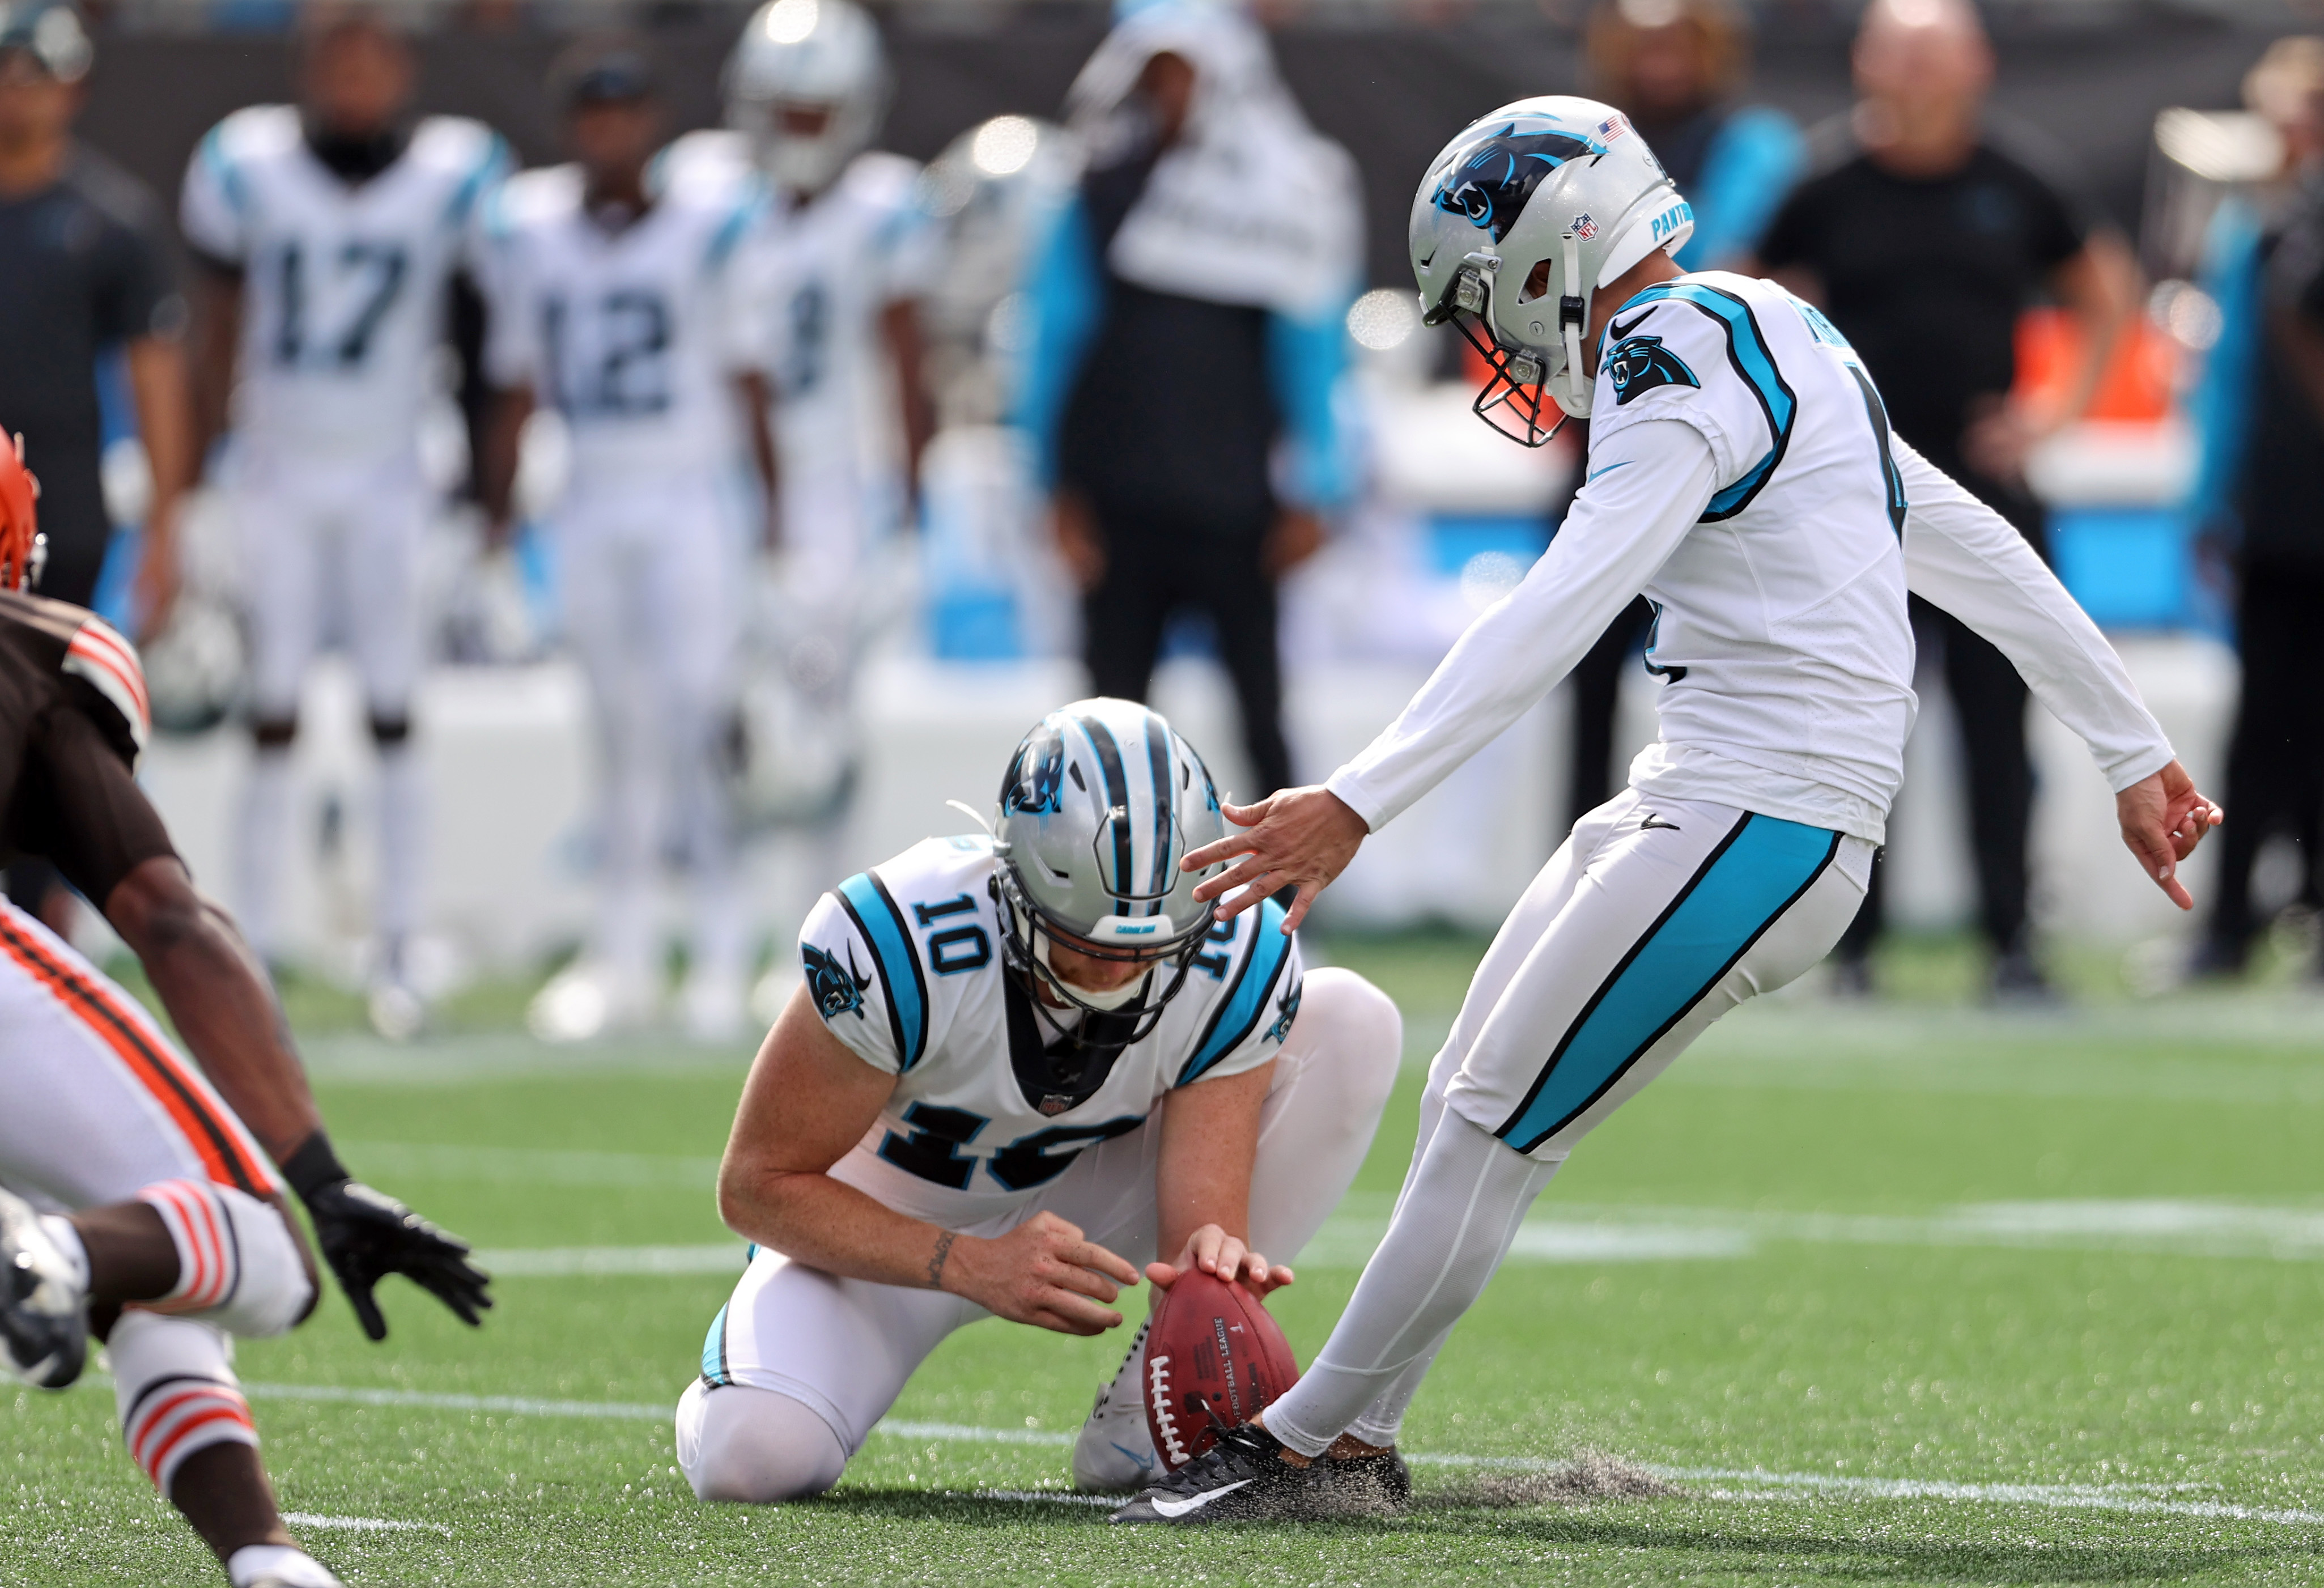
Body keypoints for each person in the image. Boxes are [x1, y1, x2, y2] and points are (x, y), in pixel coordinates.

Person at [1108, 94, 2219, 1523]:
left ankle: (1307, 1440)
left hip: (1761, 819)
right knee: (1470, 1100)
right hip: (1709, 797)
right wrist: (2128, 748)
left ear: (1550, 255)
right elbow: (1965, 541)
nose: (1489, 341)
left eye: (1483, 301)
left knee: (1494, 1122)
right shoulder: (1765, 319)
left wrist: (1356, 801)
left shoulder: (1665, 365)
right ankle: (1351, 1428)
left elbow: (1561, 604)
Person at [674, 699, 1401, 1502]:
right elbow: (755, 1185)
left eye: (1150, 945)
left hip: (1082, 1197)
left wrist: (1212, 1273)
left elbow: (1202, 1221)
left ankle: (1142, 1415)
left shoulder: (1234, 945)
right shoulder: (900, 936)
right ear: (1012, 878)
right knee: (753, 1461)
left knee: (1352, 1020)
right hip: (878, 1225)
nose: (1113, 974)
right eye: (1083, 941)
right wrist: (966, 1262)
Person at [0, 437, 490, 1588]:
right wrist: (316, 1173)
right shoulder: (33, 646)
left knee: (151, 1256)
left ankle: (265, 1560)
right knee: (251, 1244)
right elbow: (166, 919)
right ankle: (47, 1245)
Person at [1752, 0, 2140, 1000]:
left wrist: (2048, 417)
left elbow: (2105, 288)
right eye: (1902, 60)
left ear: (1976, 68)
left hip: (1983, 494)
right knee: (1857, 723)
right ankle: (1853, 946)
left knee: (1998, 725)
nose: (1919, 83)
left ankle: (2012, 939)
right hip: (1850, 500)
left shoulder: (2015, 180)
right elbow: (1748, 307)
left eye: (1937, 62)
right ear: (1865, 66)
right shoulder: (1823, 183)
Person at [180, 9, 511, 1035]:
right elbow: (218, 329)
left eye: (371, 52)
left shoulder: (456, 174)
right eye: (336, 52)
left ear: (401, 64)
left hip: (393, 475)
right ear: (308, 64)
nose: (353, 74)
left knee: (395, 713)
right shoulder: (248, 163)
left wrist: (485, 510)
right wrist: (197, 484)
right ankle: (256, 949)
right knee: (270, 712)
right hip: (280, 468)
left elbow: (479, 334)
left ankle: (400, 946)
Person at [481, 40, 769, 1043]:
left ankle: (726, 949)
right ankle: (625, 951)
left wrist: (766, 522)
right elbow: (516, 385)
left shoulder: (710, 223)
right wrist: (493, 515)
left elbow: (749, 378)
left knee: (698, 724)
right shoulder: (531, 230)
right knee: (615, 731)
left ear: (650, 121)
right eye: (590, 114)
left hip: (688, 493)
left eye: (624, 111)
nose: (608, 131)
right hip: (592, 497)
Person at [1014, 1, 1358, 801]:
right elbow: (1054, 338)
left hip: (1235, 505)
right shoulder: (1096, 189)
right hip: (1118, 501)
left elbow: (1311, 353)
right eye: (1157, 74)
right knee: (1105, 726)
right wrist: (1051, 487)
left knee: (1261, 714)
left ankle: (1288, 907)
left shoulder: (1282, 201)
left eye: (1188, 74)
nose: (1172, 93)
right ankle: (1097, 903)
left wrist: (1319, 485)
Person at [722, 0, 937, 1004]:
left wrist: (907, 503)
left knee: (834, 729)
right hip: (756, 496)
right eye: (789, 111)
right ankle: (759, 935)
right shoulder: (730, 211)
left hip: (848, 492)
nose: (802, 130)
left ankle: (834, 937)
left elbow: (907, 363)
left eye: (817, 111)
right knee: (761, 730)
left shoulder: (886, 207)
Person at [1562, 0, 1804, 829]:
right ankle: (1584, 841)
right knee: (1581, 649)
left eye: (1675, 43)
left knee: (1726, 660)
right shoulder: (1583, 146)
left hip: (1719, 434)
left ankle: (1713, 835)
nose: (1659, 62)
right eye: (1643, 44)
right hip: (1603, 423)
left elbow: (1718, 277)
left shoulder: (1753, 144)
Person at [0, 2, 194, 934]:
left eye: (31, 73)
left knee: (48, 736)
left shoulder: (108, 220)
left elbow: (155, 382)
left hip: (59, 515)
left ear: (70, 85)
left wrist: (168, 525)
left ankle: (48, 935)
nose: (14, 94)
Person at [2184, 37, 2324, 979]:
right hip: (2275, 516)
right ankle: (2229, 926)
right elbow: (2225, 386)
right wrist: (2206, 499)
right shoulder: (2256, 233)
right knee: (2260, 727)